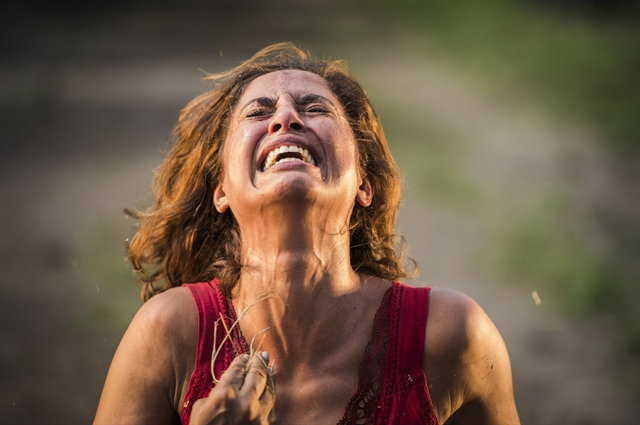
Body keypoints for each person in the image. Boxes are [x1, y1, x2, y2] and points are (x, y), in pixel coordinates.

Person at [94, 43, 520, 425]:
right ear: (221, 189)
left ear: (363, 184)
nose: (285, 118)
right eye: (258, 112)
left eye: (315, 108)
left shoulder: (450, 338)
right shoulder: (168, 335)